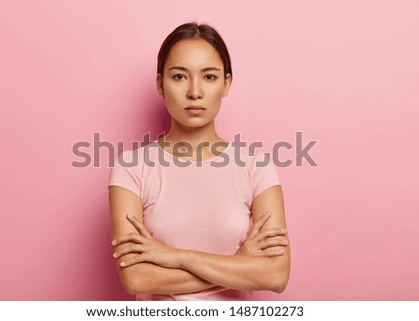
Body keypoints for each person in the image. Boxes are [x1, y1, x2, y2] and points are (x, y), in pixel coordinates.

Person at [108, 22, 290, 300]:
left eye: (209, 77)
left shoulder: (256, 167)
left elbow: (275, 275)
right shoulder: (132, 168)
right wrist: (239, 264)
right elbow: (137, 279)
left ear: (226, 83)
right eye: (179, 77)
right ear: (160, 83)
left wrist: (177, 257)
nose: (195, 92)